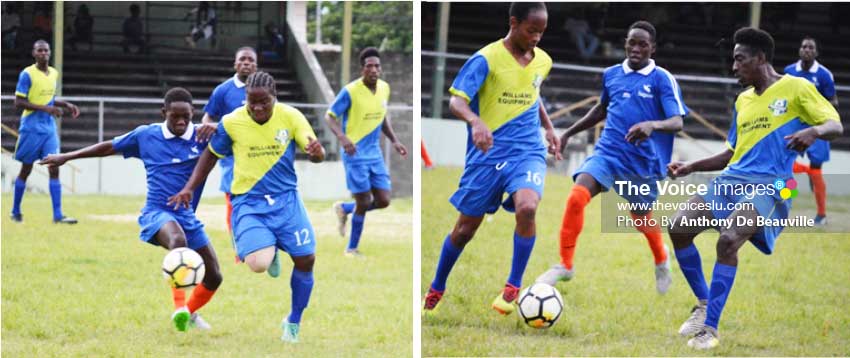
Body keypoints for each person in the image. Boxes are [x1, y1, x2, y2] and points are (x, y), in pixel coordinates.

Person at [667, 27, 841, 350]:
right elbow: (732, 153)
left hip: (776, 185)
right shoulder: (743, 100)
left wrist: (814, 132)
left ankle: (710, 330)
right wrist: (690, 166)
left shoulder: (797, 88)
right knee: (678, 227)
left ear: (760, 59)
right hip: (732, 181)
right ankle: (704, 303)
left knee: (728, 240)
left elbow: (836, 124)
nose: (734, 67)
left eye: (739, 60)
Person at [40, 87, 224, 332]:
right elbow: (108, 147)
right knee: (177, 241)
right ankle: (179, 308)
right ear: (163, 112)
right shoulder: (146, 135)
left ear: (193, 114)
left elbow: (241, 131)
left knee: (214, 276)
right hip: (157, 212)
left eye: (186, 117)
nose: (181, 121)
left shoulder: (203, 136)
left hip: (187, 215)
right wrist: (67, 156)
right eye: (174, 116)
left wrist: (219, 125)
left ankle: (189, 314)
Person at [422, 2, 560, 316]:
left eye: (541, 31)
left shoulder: (543, 61)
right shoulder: (485, 59)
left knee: (527, 207)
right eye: (531, 30)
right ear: (514, 23)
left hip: (528, 150)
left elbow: (532, 94)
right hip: (488, 154)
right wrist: (476, 121)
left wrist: (549, 129)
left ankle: (513, 287)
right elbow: (457, 101)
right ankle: (436, 287)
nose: (537, 37)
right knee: (465, 229)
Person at [168, 72, 326, 343]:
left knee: (306, 259)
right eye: (252, 102)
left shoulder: (292, 116)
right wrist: (189, 187)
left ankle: (293, 323)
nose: (258, 108)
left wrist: (317, 153)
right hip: (248, 202)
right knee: (258, 264)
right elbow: (211, 155)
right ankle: (270, 247)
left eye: (264, 102)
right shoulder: (232, 121)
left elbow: (315, 151)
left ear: (274, 95)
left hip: (287, 199)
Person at [535, 21, 687, 294]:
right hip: (608, 152)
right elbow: (601, 109)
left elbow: (677, 121)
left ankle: (661, 258)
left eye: (643, 44)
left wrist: (653, 125)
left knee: (641, 218)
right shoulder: (612, 74)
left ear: (653, 47)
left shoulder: (662, 78)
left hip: (642, 163)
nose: (636, 48)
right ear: (625, 43)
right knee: (576, 197)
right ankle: (565, 265)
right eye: (632, 42)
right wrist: (568, 132)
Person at [327, 47, 408, 257]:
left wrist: (395, 140)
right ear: (362, 69)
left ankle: (345, 208)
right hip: (355, 153)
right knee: (363, 201)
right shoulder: (350, 91)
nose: (373, 69)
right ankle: (351, 249)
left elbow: (382, 117)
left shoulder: (385, 88)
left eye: (377, 66)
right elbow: (330, 116)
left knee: (383, 200)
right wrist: (343, 138)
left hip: (375, 153)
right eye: (369, 66)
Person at [198, 46, 258, 264]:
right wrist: (215, 130)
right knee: (234, 205)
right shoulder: (223, 90)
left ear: (256, 64)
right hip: (231, 160)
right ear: (235, 64)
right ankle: (239, 251)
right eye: (242, 59)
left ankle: (264, 245)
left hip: (259, 158)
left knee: (259, 203)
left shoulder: (264, 91)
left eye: (250, 60)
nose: (246, 63)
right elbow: (207, 120)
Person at [10, 40, 80, 224]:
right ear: (34, 53)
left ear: (49, 53)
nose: (43, 53)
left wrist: (64, 104)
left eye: (46, 50)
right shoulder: (27, 74)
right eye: (39, 50)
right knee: (26, 169)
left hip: (48, 128)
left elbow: (49, 98)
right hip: (31, 127)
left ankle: (58, 215)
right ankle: (15, 211)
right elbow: (18, 102)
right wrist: (46, 109)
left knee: (54, 167)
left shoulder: (54, 73)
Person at [784, 37, 838, 226]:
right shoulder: (789, 72)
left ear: (816, 53)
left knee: (816, 169)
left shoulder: (824, 75)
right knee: (785, 167)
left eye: (810, 47)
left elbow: (834, 102)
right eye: (803, 46)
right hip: (794, 126)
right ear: (799, 50)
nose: (806, 49)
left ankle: (821, 215)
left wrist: (817, 113)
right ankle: (784, 206)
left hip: (817, 128)